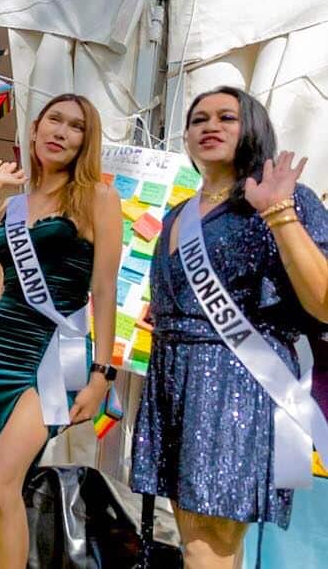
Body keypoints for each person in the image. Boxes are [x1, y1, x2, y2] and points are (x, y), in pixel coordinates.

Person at [131, 87, 328, 569]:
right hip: (173, 378)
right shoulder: (177, 214)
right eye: (199, 119)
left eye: (226, 117)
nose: (210, 126)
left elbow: (323, 302)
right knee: (198, 540)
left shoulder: (286, 198)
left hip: (236, 381)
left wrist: (279, 213)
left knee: (206, 546)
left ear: (253, 128)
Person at [0, 93, 121, 569]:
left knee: (0, 477)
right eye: (54, 120)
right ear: (34, 129)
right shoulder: (11, 206)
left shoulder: (97, 198)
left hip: (55, 351)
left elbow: (104, 290)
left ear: (85, 143)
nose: (61, 132)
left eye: (75, 127)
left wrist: (101, 374)